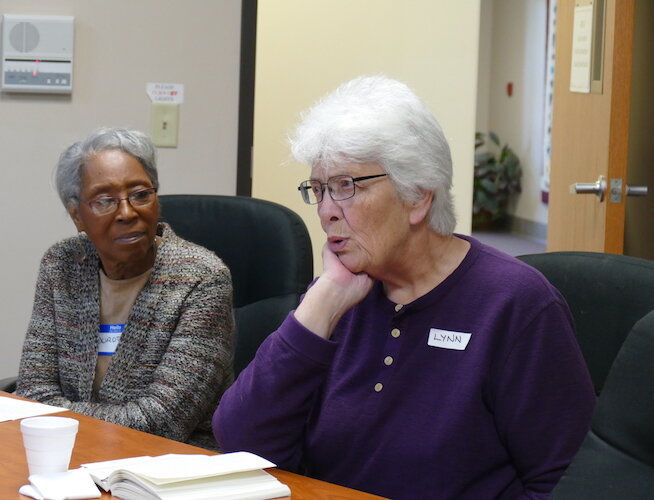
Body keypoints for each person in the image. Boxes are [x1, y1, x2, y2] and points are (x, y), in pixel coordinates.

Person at [212, 76, 595, 498]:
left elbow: (563, 484)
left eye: (346, 186)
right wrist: (321, 303)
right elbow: (241, 443)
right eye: (319, 190)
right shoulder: (341, 295)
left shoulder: (515, 304)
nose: (325, 212)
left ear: (418, 196)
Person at [16, 128, 234, 450]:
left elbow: (162, 422)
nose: (128, 213)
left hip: (171, 467)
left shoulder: (202, 279)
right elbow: (33, 391)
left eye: (140, 194)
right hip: (70, 457)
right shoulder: (62, 265)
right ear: (77, 215)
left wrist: (58, 416)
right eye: (105, 200)